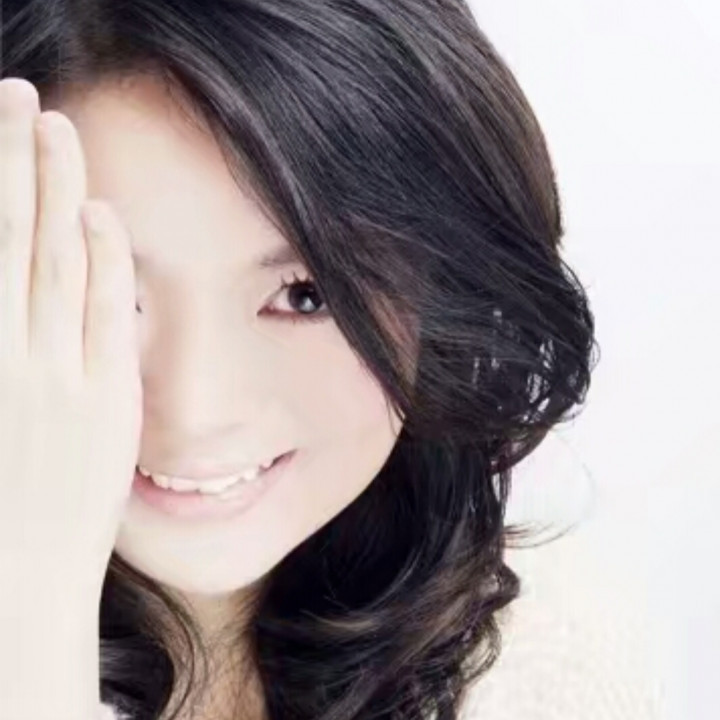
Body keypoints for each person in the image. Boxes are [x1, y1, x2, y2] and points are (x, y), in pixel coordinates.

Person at [0, 1, 599, 719]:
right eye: (103, 289)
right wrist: (32, 621)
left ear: (442, 287)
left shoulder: (545, 663)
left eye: (304, 295)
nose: (197, 409)